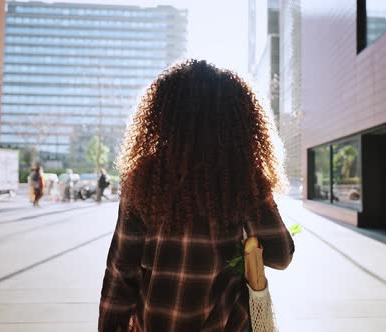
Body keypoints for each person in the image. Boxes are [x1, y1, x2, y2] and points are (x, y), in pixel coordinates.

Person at [99, 59, 295, 332]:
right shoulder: (242, 178)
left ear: (164, 115)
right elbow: (281, 255)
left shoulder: (144, 177)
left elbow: (121, 271)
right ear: (240, 120)